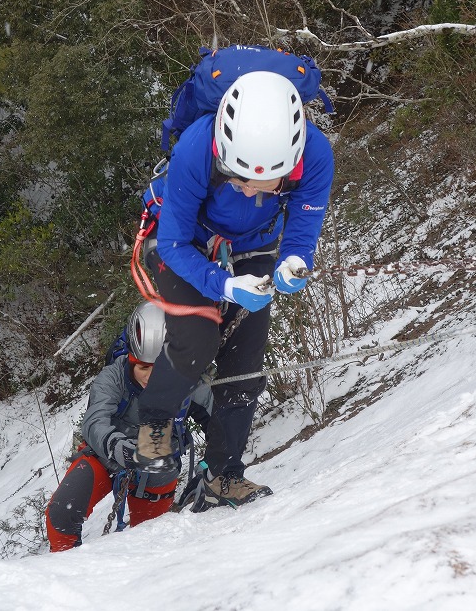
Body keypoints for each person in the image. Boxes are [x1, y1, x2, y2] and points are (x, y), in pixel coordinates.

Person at [132, 69, 334, 511]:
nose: (243, 189)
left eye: (256, 185)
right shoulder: (196, 147)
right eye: (235, 177)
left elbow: (302, 230)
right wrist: (222, 284)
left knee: (245, 361)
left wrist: (293, 264)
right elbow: (173, 243)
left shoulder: (316, 156)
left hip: (254, 244)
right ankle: (155, 423)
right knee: (197, 339)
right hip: (184, 241)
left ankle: (222, 474)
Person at [45, 302, 211, 552]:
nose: (151, 376)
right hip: (104, 455)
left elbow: (220, 424)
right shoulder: (113, 376)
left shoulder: (187, 381)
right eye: (143, 367)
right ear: (131, 360)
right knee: (61, 514)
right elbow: (94, 420)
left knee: (148, 540)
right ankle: (61, 569)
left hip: (156, 462)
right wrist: (118, 447)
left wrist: (210, 467)